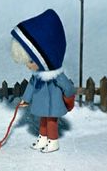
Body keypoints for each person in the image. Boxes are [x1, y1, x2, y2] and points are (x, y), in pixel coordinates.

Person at [10, 9, 75, 153]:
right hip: (42, 103)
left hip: (53, 104)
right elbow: (31, 86)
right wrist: (25, 99)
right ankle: (43, 138)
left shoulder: (56, 76)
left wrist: (69, 97)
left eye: (31, 60)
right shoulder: (37, 74)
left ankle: (53, 142)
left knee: (51, 121)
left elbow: (68, 87)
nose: (28, 65)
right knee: (43, 121)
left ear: (44, 57)